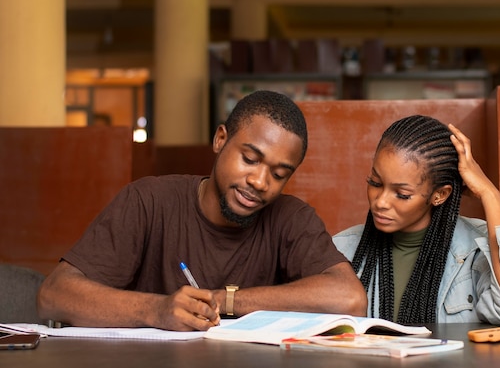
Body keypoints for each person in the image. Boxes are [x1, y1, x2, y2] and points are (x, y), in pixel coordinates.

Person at [38, 90, 367, 331]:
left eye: (279, 174)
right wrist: (157, 309)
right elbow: (54, 295)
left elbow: (349, 299)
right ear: (220, 139)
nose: (259, 181)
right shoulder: (148, 201)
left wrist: (225, 300)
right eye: (249, 159)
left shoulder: (291, 218)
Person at [333, 115, 500, 325]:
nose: (381, 202)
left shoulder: (475, 252)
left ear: (439, 195)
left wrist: (490, 194)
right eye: (375, 183)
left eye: (402, 194)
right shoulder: (342, 250)